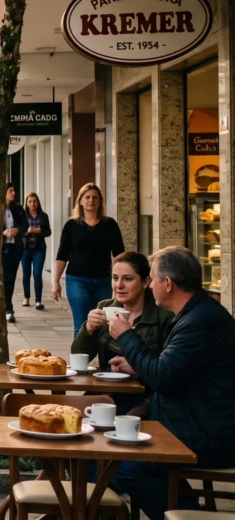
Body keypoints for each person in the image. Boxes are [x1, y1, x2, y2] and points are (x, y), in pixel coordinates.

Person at [109, 247, 235, 520]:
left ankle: (189, 516)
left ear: (168, 284)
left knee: (125, 467)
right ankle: (189, 511)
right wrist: (142, 396)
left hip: (206, 434)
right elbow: (177, 373)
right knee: (113, 448)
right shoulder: (196, 313)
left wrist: (127, 336)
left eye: (152, 279)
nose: (150, 284)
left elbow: (164, 378)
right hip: (191, 421)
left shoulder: (199, 321)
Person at [71, 251, 172, 413]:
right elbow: (78, 357)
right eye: (115, 278)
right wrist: (88, 329)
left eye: (128, 279)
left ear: (146, 282)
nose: (119, 285)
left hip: (143, 396)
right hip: (105, 392)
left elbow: (167, 368)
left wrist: (136, 367)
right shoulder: (104, 307)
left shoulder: (163, 316)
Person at [53, 183, 125, 334]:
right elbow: (62, 255)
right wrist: (55, 282)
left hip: (103, 281)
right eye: (87, 197)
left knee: (102, 324)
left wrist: (121, 280)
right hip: (77, 281)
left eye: (95, 198)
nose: (91, 200)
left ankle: (102, 358)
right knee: (81, 325)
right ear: (80, 201)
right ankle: (80, 358)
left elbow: (119, 254)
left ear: (100, 202)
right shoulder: (71, 225)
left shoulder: (109, 224)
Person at [19, 193, 52, 310]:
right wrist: (26, 231)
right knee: (26, 273)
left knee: (37, 273)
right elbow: (17, 231)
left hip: (39, 248)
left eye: (34, 201)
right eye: (30, 201)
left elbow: (48, 232)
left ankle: (38, 300)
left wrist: (39, 231)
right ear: (26, 203)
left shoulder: (43, 216)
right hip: (25, 248)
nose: (32, 204)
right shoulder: (22, 216)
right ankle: (26, 298)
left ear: (38, 202)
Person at [1, 184, 27, 323]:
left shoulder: (18, 208)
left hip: (15, 248)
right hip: (1, 248)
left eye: (14, 190)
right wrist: (3, 232)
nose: (14, 193)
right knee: (3, 279)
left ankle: (8, 307)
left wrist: (18, 230)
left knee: (10, 279)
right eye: (10, 191)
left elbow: (25, 225)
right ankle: (5, 307)